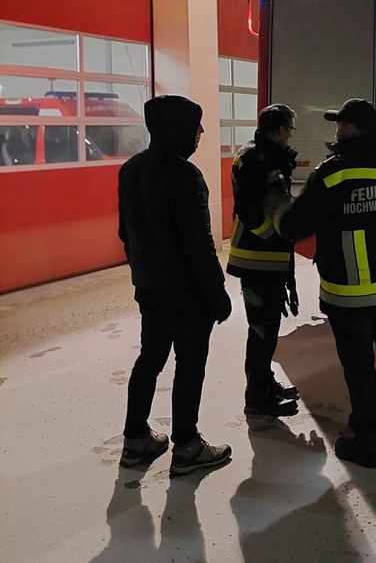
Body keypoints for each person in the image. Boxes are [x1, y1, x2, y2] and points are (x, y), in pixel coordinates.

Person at [278, 98, 376, 468]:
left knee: (359, 368)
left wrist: (279, 208)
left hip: (350, 294)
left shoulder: (332, 173)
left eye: (339, 124)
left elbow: (296, 226)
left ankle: (367, 440)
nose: (336, 130)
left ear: (347, 129)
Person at [118, 94, 232, 477]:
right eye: (196, 125)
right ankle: (187, 446)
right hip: (186, 294)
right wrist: (217, 296)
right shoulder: (186, 176)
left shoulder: (131, 170)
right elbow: (198, 245)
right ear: (178, 129)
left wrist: (142, 273)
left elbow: (125, 233)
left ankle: (135, 440)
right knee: (190, 365)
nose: (201, 132)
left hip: (149, 287)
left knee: (149, 359)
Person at [226, 103, 301, 417]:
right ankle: (257, 398)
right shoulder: (255, 158)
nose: (291, 135)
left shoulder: (267, 155)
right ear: (281, 130)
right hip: (257, 259)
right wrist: (268, 234)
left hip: (268, 260)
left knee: (268, 329)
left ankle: (265, 383)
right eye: (290, 129)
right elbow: (248, 208)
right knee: (261, 331)